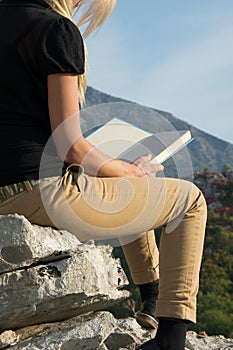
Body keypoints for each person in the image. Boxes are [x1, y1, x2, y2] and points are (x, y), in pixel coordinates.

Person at [0, 1, 207, 349]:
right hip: (43, 194)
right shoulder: (56, 30)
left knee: (122, 179)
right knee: (189, 200)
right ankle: (170, 336)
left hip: (6, 194)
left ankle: (153, 298)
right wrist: (128, 170)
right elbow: (69, 145)